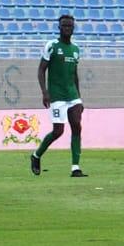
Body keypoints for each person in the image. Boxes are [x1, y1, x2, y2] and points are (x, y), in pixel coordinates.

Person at [30, 14, 86, 177]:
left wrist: (79, 98)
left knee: (77, 125)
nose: (67, 28)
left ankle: (75, 167)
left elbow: (75, 74)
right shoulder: (52, 46)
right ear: (59, 27)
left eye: (70, 26)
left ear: (73, 28)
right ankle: (36, 155)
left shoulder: (76, 49)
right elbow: (41, 70)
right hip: (57, 96)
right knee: (58, 131)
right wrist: (45, 92)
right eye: (64, 26)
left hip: (72, 94)